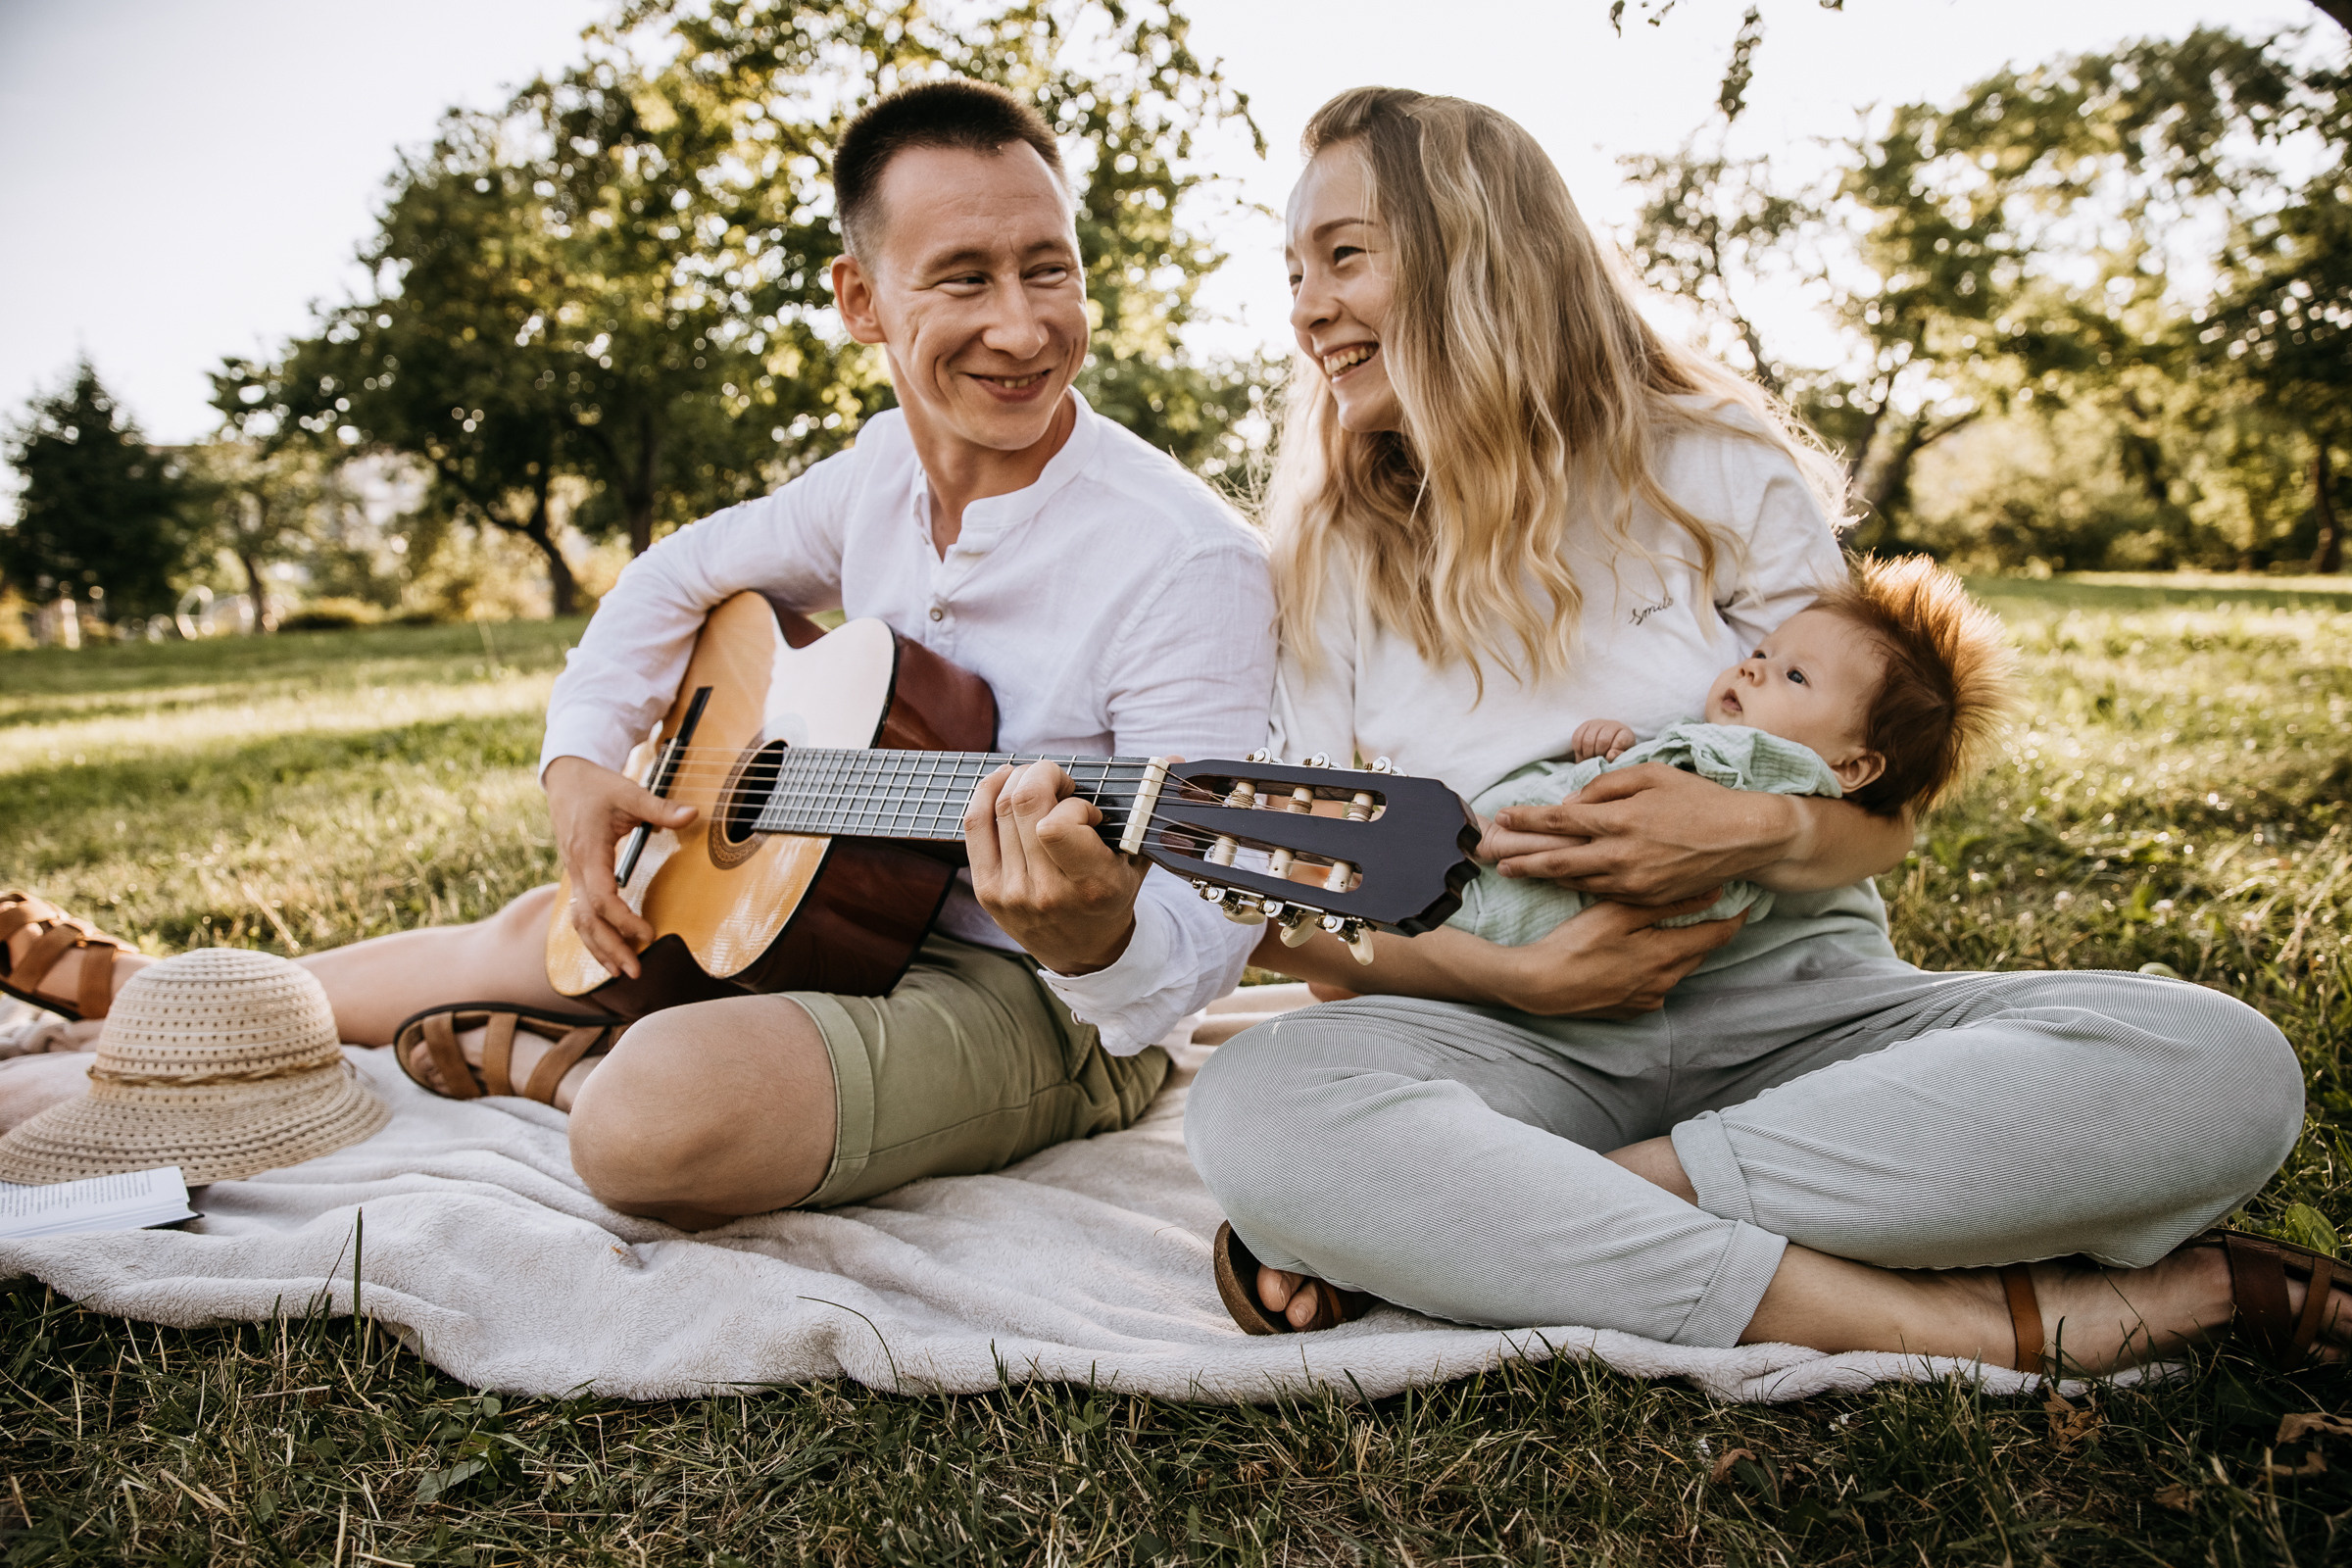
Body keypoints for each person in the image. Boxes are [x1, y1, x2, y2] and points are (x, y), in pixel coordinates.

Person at [1184, 86, 2340, 1372]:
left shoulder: (1713, 461)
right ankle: (1964, 1324)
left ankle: (1533, 1210)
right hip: (1510, 1039)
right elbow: (1302, 920)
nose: (1308, 308)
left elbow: (1879, 822)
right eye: (1294, 272)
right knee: (1258, 1110)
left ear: (1479, 252)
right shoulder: (1328, 552)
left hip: (1799, 1013)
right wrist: (1523, 979)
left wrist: (1753, 829)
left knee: (2220, 1064)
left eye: (1345, 255)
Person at [2, 78, 1275, 1231]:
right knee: (558, 932)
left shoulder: (1185, 559)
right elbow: (674, 577)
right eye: (964, 278)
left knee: (651, 1117)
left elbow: (1189, 952)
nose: (1023, 326)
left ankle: (551, 1059)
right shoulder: (875, 476)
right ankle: (171, 1003)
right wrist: (579, 762)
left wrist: (1093, 936)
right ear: (860, 301)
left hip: (1040, 1001)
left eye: (1049, 271)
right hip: (833, 897)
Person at [1453, 554, 2014, 947]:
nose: (1752, 667)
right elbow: (1661, 778)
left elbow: (1670, 793)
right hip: (1587, 893)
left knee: (1499, 907)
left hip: (1580, 905)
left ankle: (1477, 852)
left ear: (1851, 765)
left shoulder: (1781, 765)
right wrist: (1617, 751)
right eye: (1762, 653)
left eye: (1795, 676)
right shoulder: (1734, 745)